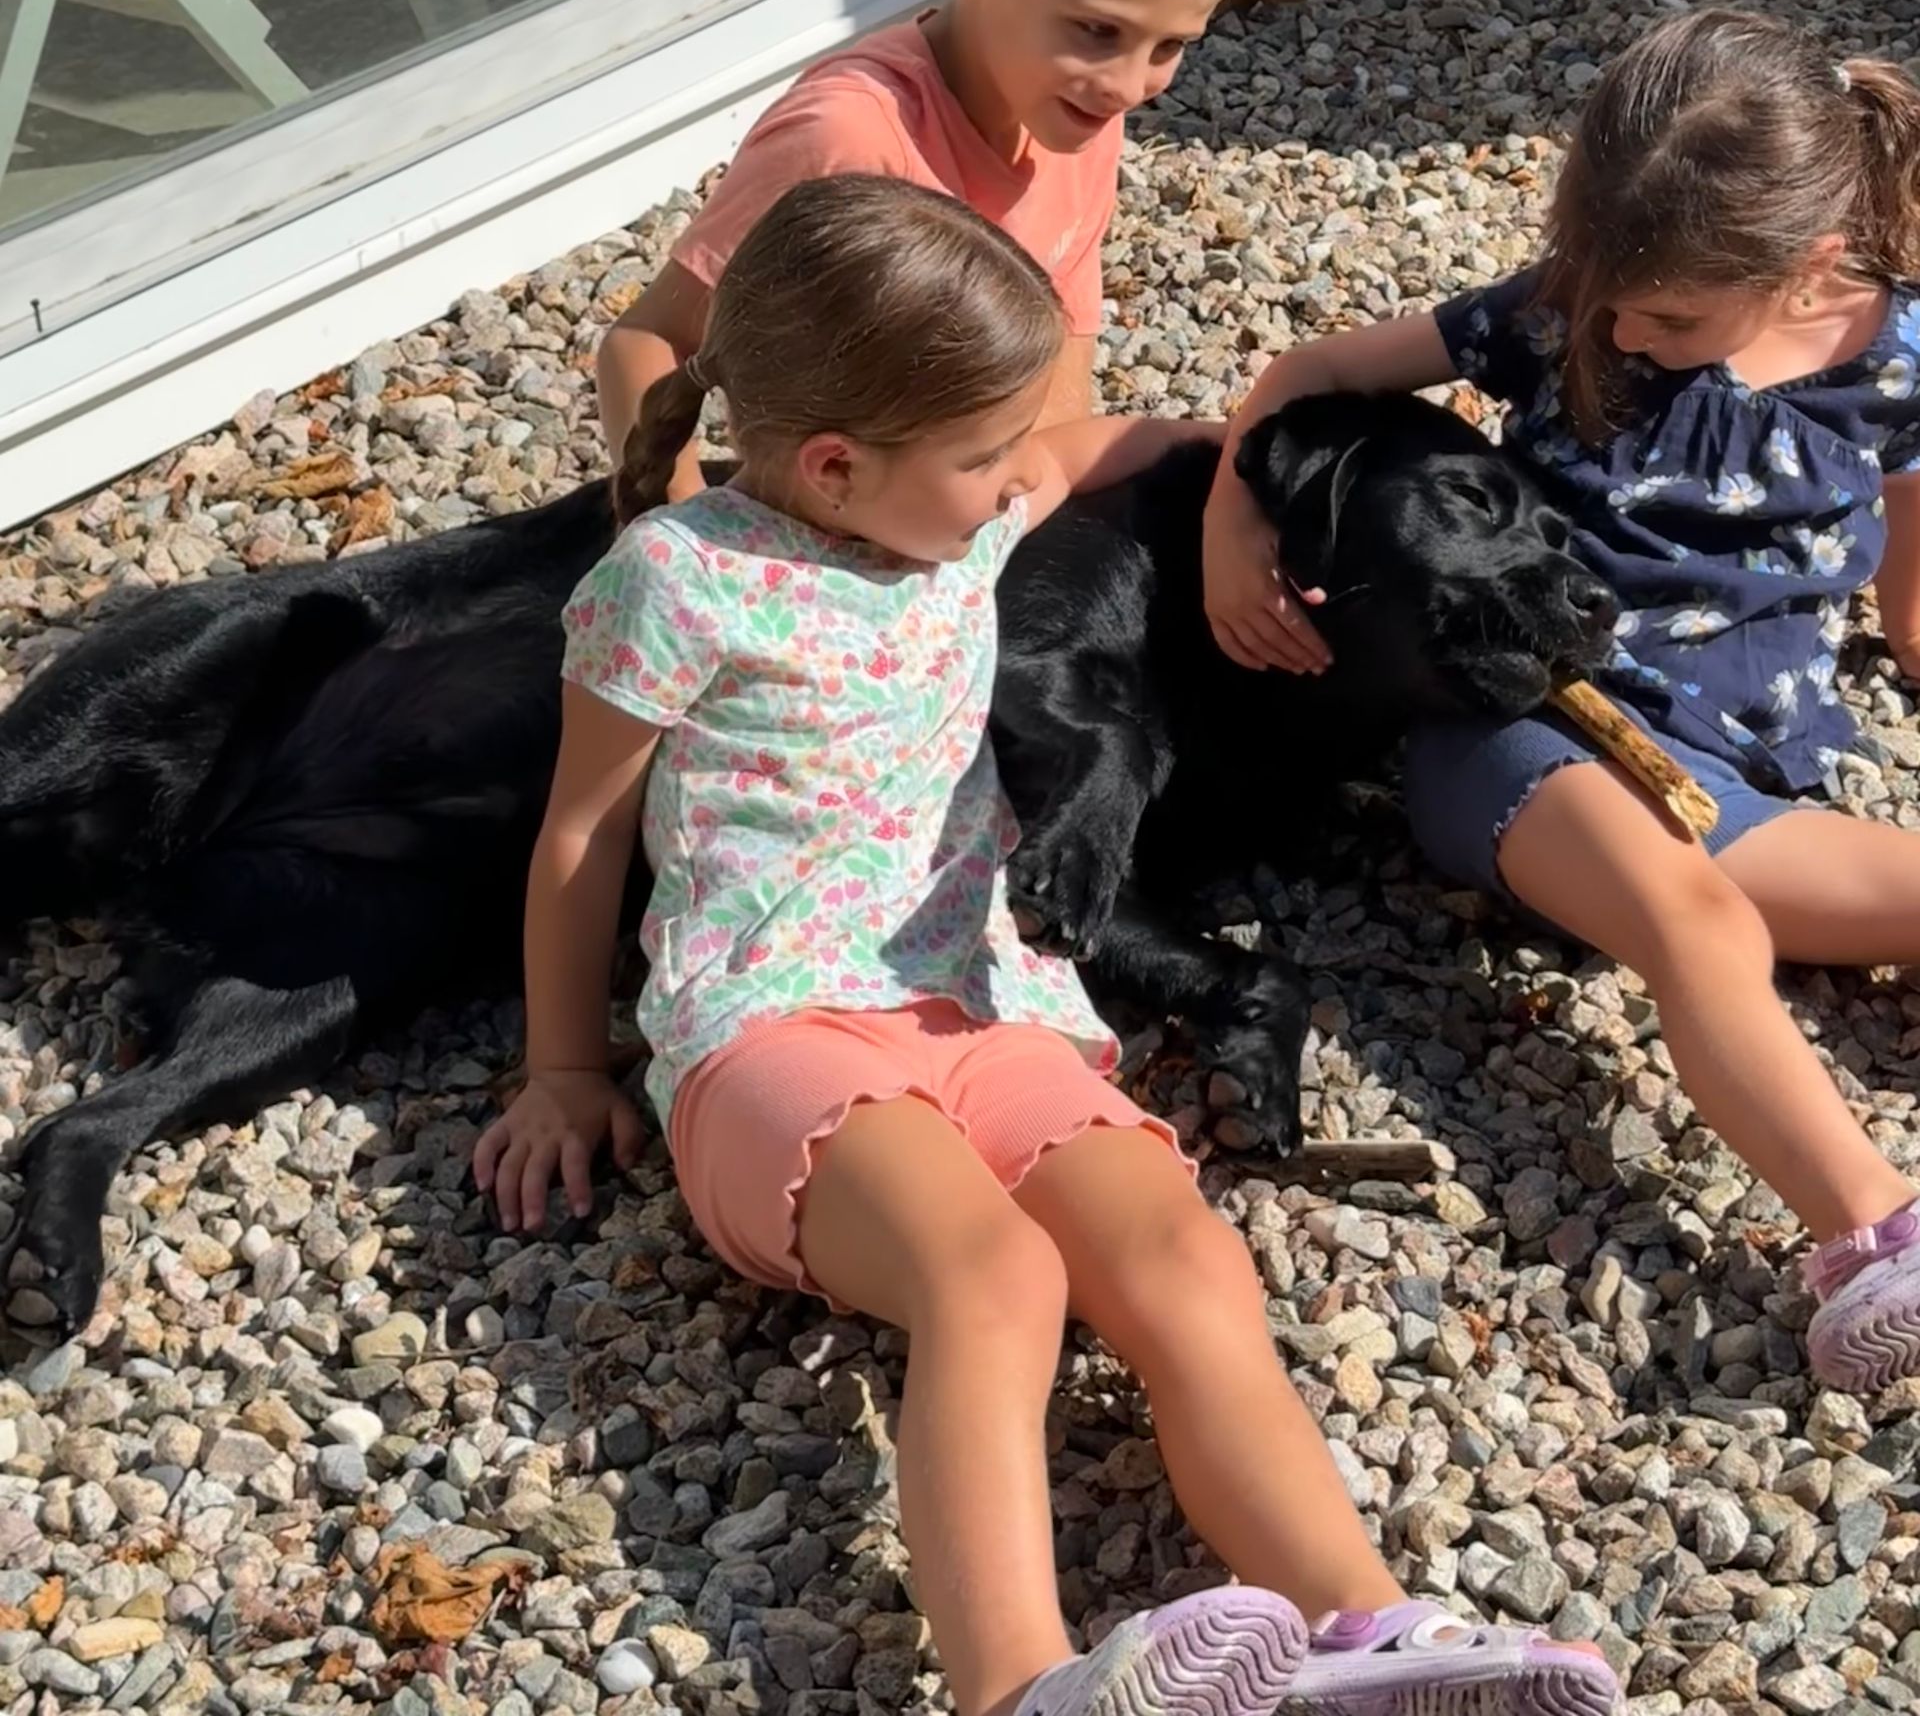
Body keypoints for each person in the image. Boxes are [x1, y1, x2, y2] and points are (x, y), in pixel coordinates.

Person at [480, 175, 1618, 1716]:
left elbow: (1131, 442)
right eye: (985, 453)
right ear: (835, 464)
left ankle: (1366, 1633)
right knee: (995, 1275)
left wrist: (1236, 520)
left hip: (986, 1007)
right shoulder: (680, 583)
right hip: (771, 1032)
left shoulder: (952, 511)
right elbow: (580, 835)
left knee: (1185, 1255)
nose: (1019, 475)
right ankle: (1020, 1685)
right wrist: (562, 1069)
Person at [1203, 4, 1920, 1394]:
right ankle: (1870, 1233)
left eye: (1667, 317)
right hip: (1521, 725)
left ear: (1813, 260)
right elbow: (1315, 370)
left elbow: (1912, 530)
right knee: (1699, 925)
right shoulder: (1564, 309)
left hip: (1732, 775)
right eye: (1605, 293)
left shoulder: (1897, 359)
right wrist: (1235, 516)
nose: (1621, 328)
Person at [594, 0, 1252, 483]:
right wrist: (680, 532)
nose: (1128, 86)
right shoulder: (848, 139)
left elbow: (1061, 366)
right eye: (1097, 30)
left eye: (1169, 46)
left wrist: (1044, 518)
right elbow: (649, 339)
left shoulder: (1081, 115)